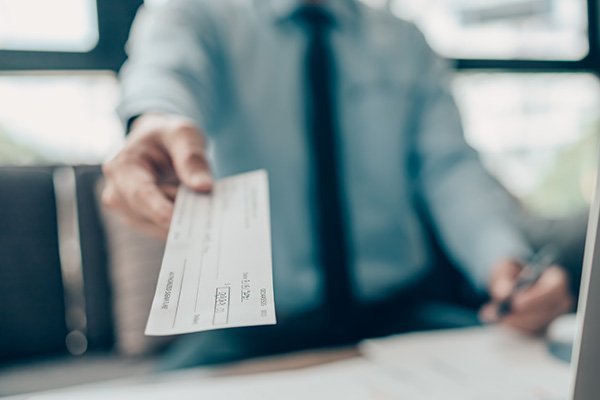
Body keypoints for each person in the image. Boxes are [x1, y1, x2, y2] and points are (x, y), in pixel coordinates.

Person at [102, 0, 575, 367]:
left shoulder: (404, 40)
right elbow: (163, 79)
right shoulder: (196, 14)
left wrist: (505, 263)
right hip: (251, 331)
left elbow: (449, 167)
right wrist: (152, 125)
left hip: (397, 314)